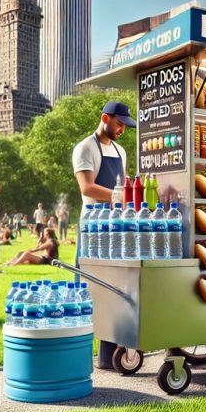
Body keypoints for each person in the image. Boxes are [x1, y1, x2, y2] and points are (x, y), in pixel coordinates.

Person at [72, 100, 135, 369]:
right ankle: (78, 352)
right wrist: (122, 195)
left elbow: (125, 183)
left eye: (125, 125)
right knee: (88, 287)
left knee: (114, 285)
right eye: (119, 123)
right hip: (93, 225)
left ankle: (108, 356)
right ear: (105, 118)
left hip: (116, 224)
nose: (122, 129)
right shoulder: (85, 148)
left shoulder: (121, 151)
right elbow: (87, 187)